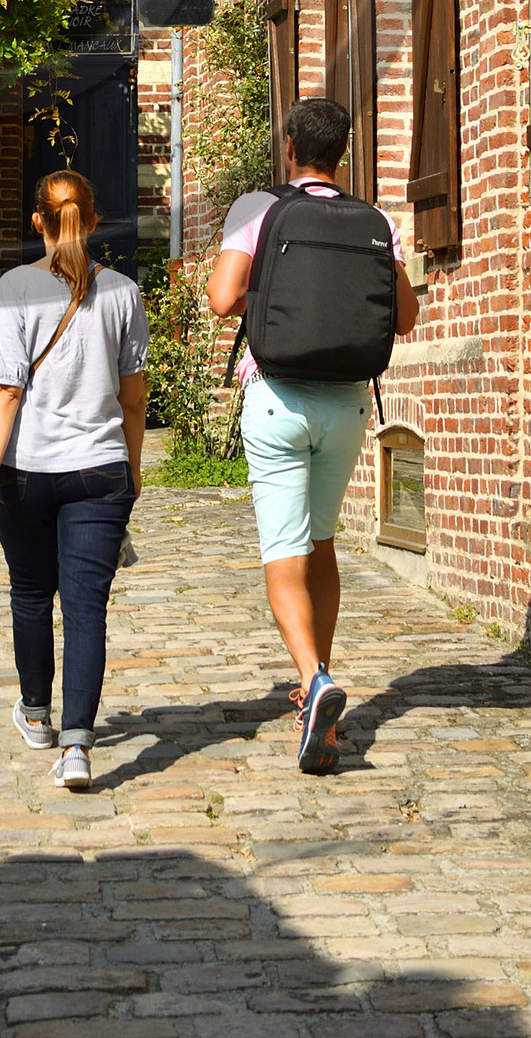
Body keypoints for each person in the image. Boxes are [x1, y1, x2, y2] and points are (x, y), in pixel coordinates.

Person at [206, 96, 419, 774]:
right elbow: (405, 316)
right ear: (341, 155)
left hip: (278, 397)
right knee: (321, 543)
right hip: (350, 403)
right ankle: (315, 693)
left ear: (290, 148)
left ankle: (314, 679)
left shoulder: (258, 209)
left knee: (283, 549)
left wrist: (277, 298)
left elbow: (220, 298)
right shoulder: (374, 220)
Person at [0, 169, 149, 792]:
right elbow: (133, 399)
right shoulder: (124, 292)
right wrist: (132, 468)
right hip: (100, 470)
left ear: (37, 222)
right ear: (94, 222)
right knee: (85, 609)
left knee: (29, 594)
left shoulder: (16, 287)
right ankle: (76, 747)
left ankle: (37, 714)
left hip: (26, 470)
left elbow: (4, 389)